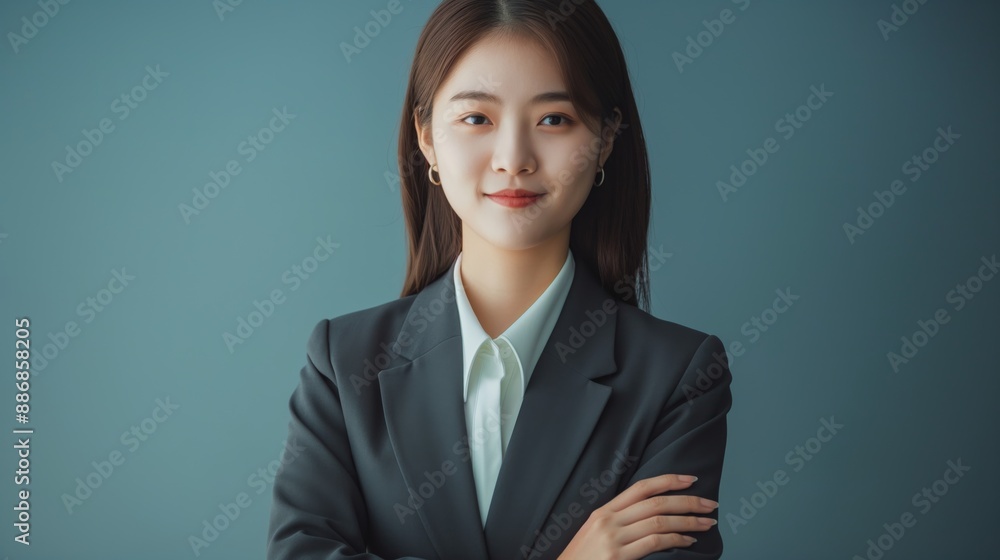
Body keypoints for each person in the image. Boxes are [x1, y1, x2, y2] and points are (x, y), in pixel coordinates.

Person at [266, 1, 733, 558]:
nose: (513, 159)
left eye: (554, 119)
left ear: (606, 138)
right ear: (427, 139)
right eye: (477, 118)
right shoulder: (342, 365)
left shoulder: (679, 378)